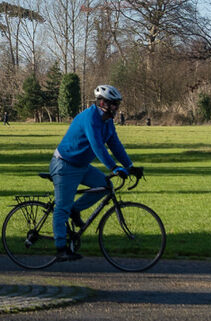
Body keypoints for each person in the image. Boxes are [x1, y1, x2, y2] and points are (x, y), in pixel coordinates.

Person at [49, 84, 143, 262]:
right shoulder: (90, 118)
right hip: (64, 165)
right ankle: (61, 248)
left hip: (81, 165)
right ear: (102, 102)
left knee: (105, 186)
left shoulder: (107, 121)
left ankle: (75, 210)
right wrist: (113, 167)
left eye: (117, 104)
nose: (116, 107)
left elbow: (115, 144)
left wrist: (130, 166)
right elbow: (97, 145)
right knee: (62, 207)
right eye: (113, 104)